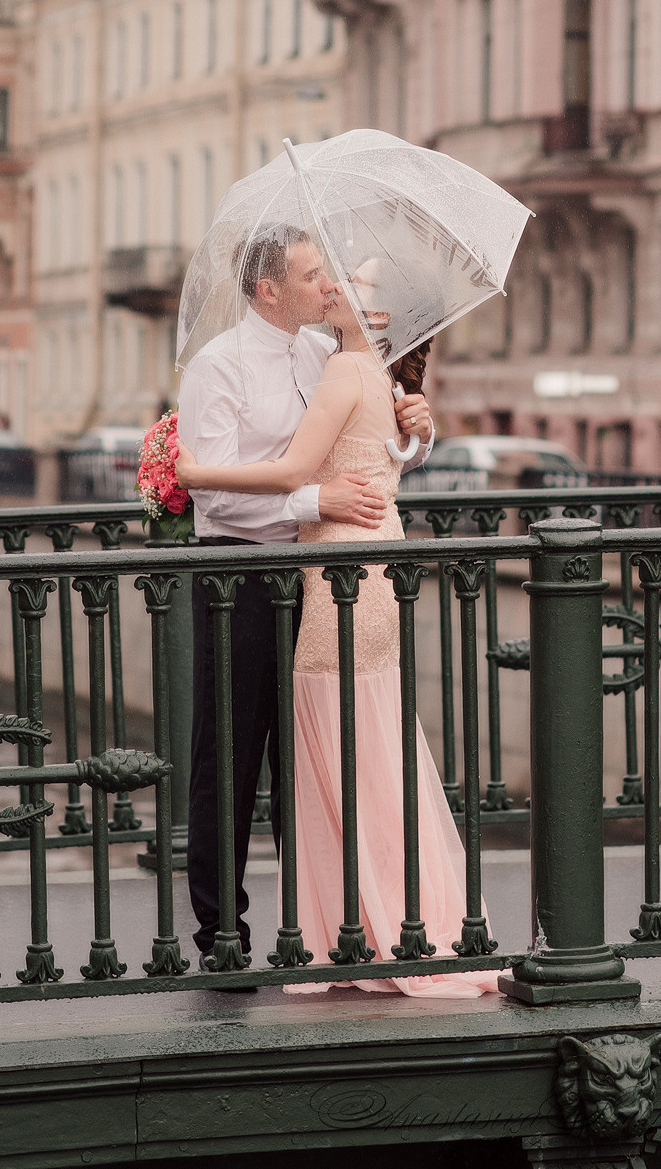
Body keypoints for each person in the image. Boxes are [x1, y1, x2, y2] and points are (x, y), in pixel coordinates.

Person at [177, 276, 500, 997]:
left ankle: (338, 930)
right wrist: (309, 497)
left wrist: (420, 430)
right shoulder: (219, 365)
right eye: (312, 273)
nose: (327, 283)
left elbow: (369, 452)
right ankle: (223, 937)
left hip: (328, 571)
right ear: (269, 288)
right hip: (246, 572)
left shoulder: (331, 352)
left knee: (325, 756)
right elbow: (222, 499)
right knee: (230, 756)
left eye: (339, 278)